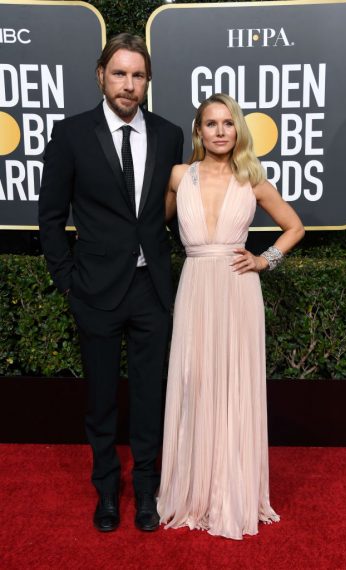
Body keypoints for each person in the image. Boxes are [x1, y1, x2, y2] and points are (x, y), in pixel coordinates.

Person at [39, 33, 183, 533]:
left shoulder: (168, 135)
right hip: (94, 291)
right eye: (119, 73)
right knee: (100, 399)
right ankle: (106, 490)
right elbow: (51, 216)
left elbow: (168, 213)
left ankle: (146, 488)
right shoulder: (71, 134)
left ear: (148, 82)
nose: (128, 84)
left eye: (137, 75)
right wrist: (67, 281)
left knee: (150, 397)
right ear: (100, 75)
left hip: (152, 291)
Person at [157, 93, 305, 540]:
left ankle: (232, 491)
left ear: (237, 129)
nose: (220, 131)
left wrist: (264, 261)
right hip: (196, 284)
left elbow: (294, 226)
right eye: (210, 123)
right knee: (195, 381)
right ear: (198, 131)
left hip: (238, 289)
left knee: (234, 384)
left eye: (227, 123)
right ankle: (192, 490)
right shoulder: (180, 176)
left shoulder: (253, 179)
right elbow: (151, 226)